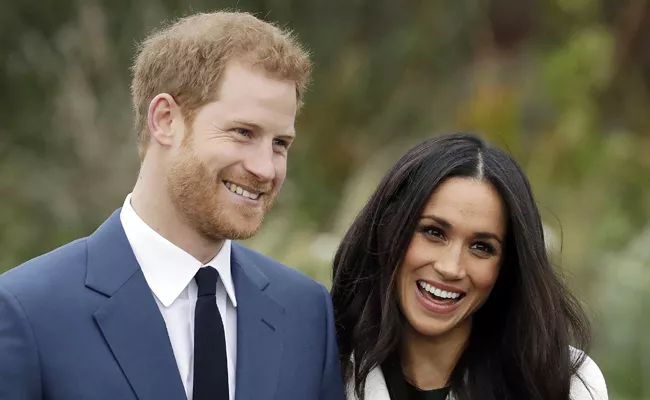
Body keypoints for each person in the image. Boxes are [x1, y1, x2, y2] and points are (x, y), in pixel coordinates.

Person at [0, 11, 344, 400]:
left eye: (280, 143)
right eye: (243, 133)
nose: (266, 169)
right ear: (165, 120)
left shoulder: (305, 312)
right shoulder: (26, 311)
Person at [330, 133, 608, 400]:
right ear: (388, 230)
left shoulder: (564, 383)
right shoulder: (323, 365)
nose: (451, 268)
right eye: (434, 232)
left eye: (481, 247)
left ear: (507, 266)